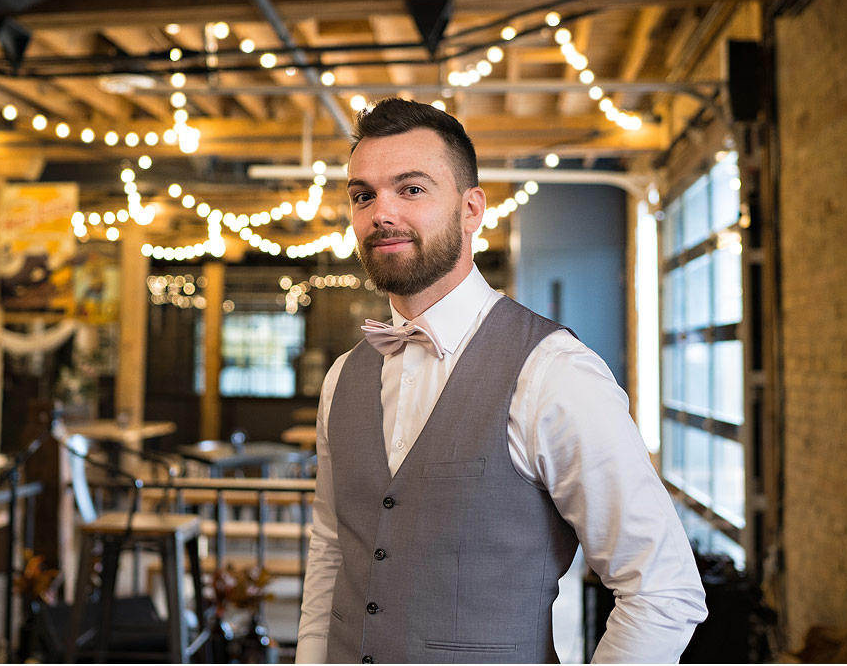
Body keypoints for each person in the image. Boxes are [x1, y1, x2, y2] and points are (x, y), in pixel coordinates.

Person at [295, 99, 707, 664]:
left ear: (471, 209)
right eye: (363, 194)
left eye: (411, 189)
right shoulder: (343, 377)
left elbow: (661, 589)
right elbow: (331, 551)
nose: (381, 212)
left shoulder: (555, 372)